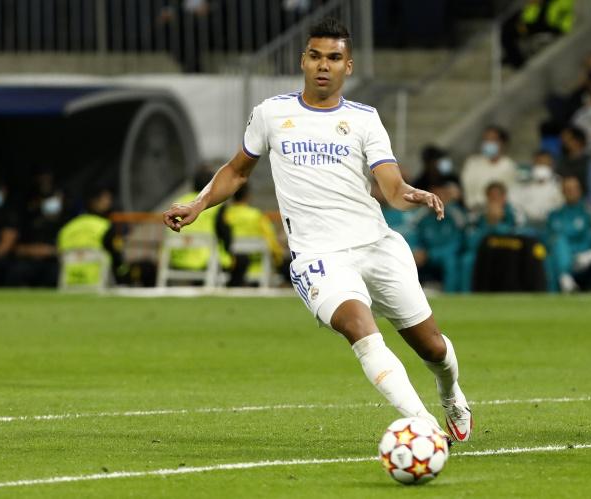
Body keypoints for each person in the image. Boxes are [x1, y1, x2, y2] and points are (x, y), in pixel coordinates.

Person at [162, 18, 473, 442]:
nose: (323, 65)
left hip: (376, 246)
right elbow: (237, 171)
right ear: (302, 61)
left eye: (334, 58)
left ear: (348, 66)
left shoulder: (365, 119)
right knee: (361, 331)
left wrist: (411, 193)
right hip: (318, 256)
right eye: (315, 56)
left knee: (433, 348)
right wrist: (198, 203)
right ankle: (423, 427)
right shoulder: (272, 114)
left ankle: (450, 393)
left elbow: (391, 186)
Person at [57, 187, 122, 287]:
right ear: (94, 202)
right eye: (106, 199)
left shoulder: (68, 227)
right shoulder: (105, 226)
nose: (109, 203)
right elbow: (116, 256)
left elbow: (59, 253)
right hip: (98, 283)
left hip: (70, 282)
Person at [222, 183, 284, 287]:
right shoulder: (257, 216)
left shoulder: (225, 215)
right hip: (258, 269)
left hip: (230, 266)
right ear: (248, 195)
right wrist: (278, 259)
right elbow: (271, 242)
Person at [546, 176, 591, 292]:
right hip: (561, 257)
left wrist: (586, 254)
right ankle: (565, 278)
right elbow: (547, 239)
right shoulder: (554, 214)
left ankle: (564, 278)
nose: (571, 192)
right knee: (553, 252)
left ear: (580, 191)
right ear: (562, 192)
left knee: (556, 252)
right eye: (567, 189)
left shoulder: (589, 213)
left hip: (582, 258)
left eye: (574, 189)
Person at [460, 125, 518, 213]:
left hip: (496, 211)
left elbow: (509, 193)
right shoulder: (472, 163)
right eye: (486, 140)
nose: (488, 143)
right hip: (470, 210)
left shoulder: (509, 166)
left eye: (493, 140)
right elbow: (465, 188)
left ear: (502, 143)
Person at [509, 150, 564, 225]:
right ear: (533, 164)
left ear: (552, 165)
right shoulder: (523, 183)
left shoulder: (560, 184)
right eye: (539, 163)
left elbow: (561, 205)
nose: (542, 167)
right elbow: (514, 203)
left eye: (545, 164)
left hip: (551, 224)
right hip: (526, 224)